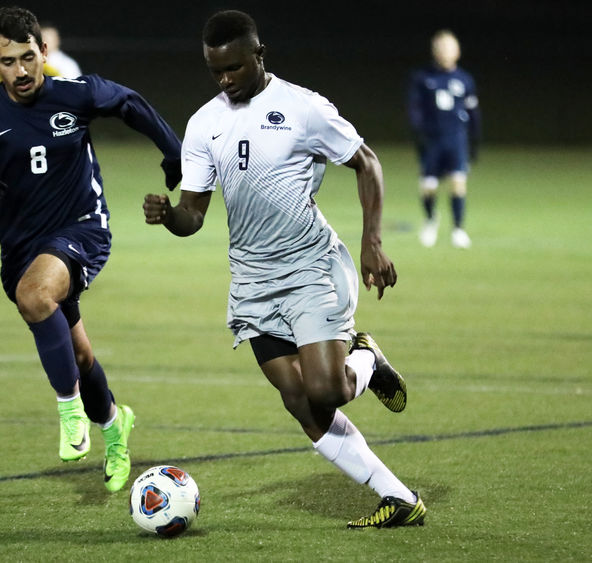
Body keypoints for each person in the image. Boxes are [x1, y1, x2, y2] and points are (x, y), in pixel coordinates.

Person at [143, 10, 426, 528]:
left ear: (258, 55)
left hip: (310, 268)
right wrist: (169, 219)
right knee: (302, 404)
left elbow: (367, 162)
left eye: (233, 67)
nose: (224, 79)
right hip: (252, 283)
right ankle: (400, 498)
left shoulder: (303, 107)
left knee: (328, 390)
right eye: (215, 71)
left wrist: (372, 243)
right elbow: (194, 215)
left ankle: (367, 359)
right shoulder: (204, 123)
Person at [0, 6, 182, 493]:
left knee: (35, 296)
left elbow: (130, 103)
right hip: (22, 248)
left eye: (28, 58)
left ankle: (69, 409)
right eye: (9, 61)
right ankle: (115, 426)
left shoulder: (74, 94)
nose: (21, 71)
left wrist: (173, 150)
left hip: (82, 229)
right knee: (76, 355)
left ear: (44, 53)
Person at [407, 29, 480, 249]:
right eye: (441, 47)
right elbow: (415, 109)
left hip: (456, 139)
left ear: (457, 51)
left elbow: (474, 113)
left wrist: (475, 141)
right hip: (432, 141)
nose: (445, 52)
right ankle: (430, 220)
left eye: (450, 47)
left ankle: (458, 229)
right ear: (434, 51)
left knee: (458, 184)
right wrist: (418, 134)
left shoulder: (465, 80)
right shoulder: (422, 77)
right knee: (428, 186)